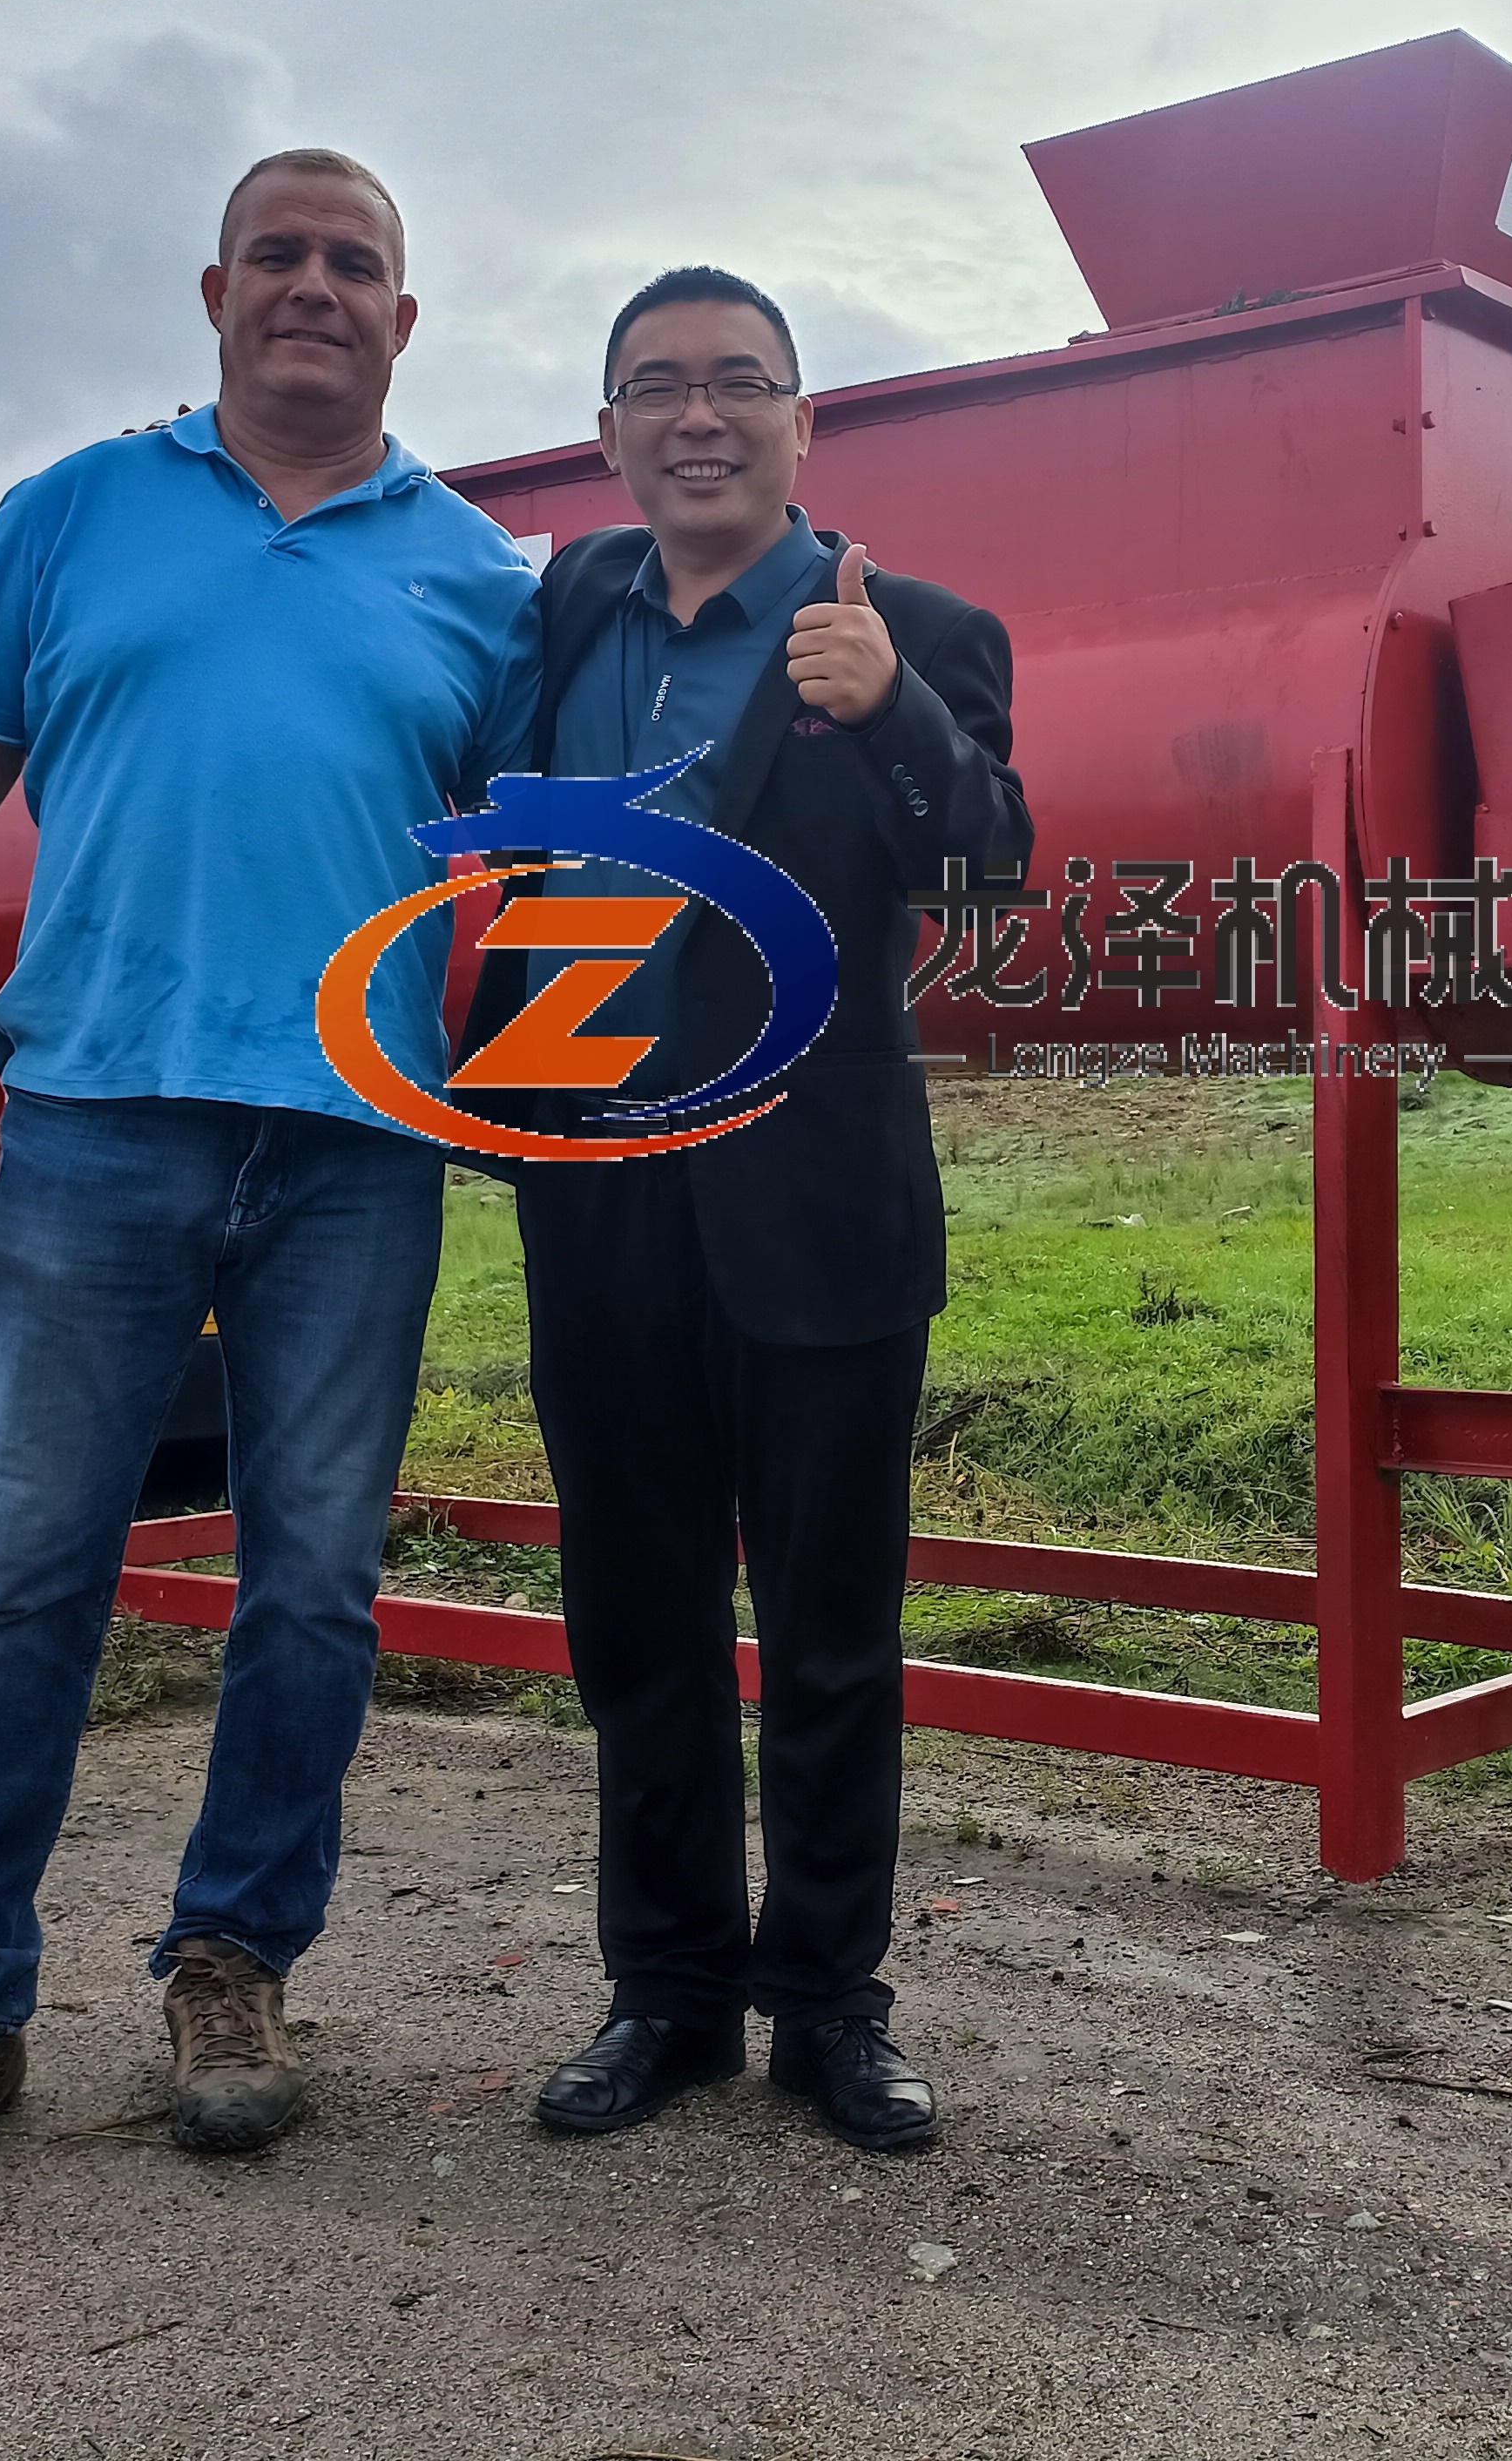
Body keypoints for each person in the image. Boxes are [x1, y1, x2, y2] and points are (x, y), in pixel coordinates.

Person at [0, 149, 538, 2195]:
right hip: (97, 1126)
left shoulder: (478, 573)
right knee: (31, 1573)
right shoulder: (72, 515)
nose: (316, 288)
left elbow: (562, 853)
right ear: (214, 291)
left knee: (311, 1582)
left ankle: (234, 1961)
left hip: (357, 1148)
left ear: (407, 321)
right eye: (281, 257)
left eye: (358, 265)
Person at [462, 266, 1028, 2154]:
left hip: (816, 1193)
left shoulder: (914, 625)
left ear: (805, 423)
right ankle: (668, 1991)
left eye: (736, 385)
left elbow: (986, 865)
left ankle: (828, 2002)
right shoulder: (553, 617)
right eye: (655, 388)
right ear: (610, 430)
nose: (696, 417)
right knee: (634, 1616)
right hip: (599, 1188)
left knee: (830, 1621)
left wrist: (889, 724)